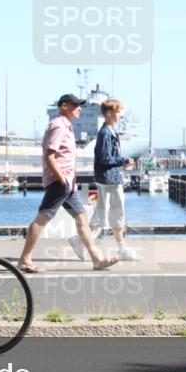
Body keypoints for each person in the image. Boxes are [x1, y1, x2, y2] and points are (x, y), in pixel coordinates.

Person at [17, 94, 118, 273]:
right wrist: (62, 180)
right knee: (42, 219)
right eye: (75, 105)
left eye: (80, 105)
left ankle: (97, 260)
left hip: (67, 183)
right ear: (64, 106)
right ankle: (25, 260)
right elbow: (49, 155)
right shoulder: (58, 125)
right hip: (59, 182)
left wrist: (68, 182)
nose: (79, 108)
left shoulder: (67, 126)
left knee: (82, 217)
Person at [74, 98, 138, 261]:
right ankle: (121, 248)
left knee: (105, 216)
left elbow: (108, 158)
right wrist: (123, 160)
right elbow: (105, 158)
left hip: (110, 178)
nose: (120, 116)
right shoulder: (105, 133)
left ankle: (80, 241)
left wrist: (122, 163)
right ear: (109, 113)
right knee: (115, 213)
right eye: (118, 113)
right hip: (109, 180)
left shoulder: (109, 131)